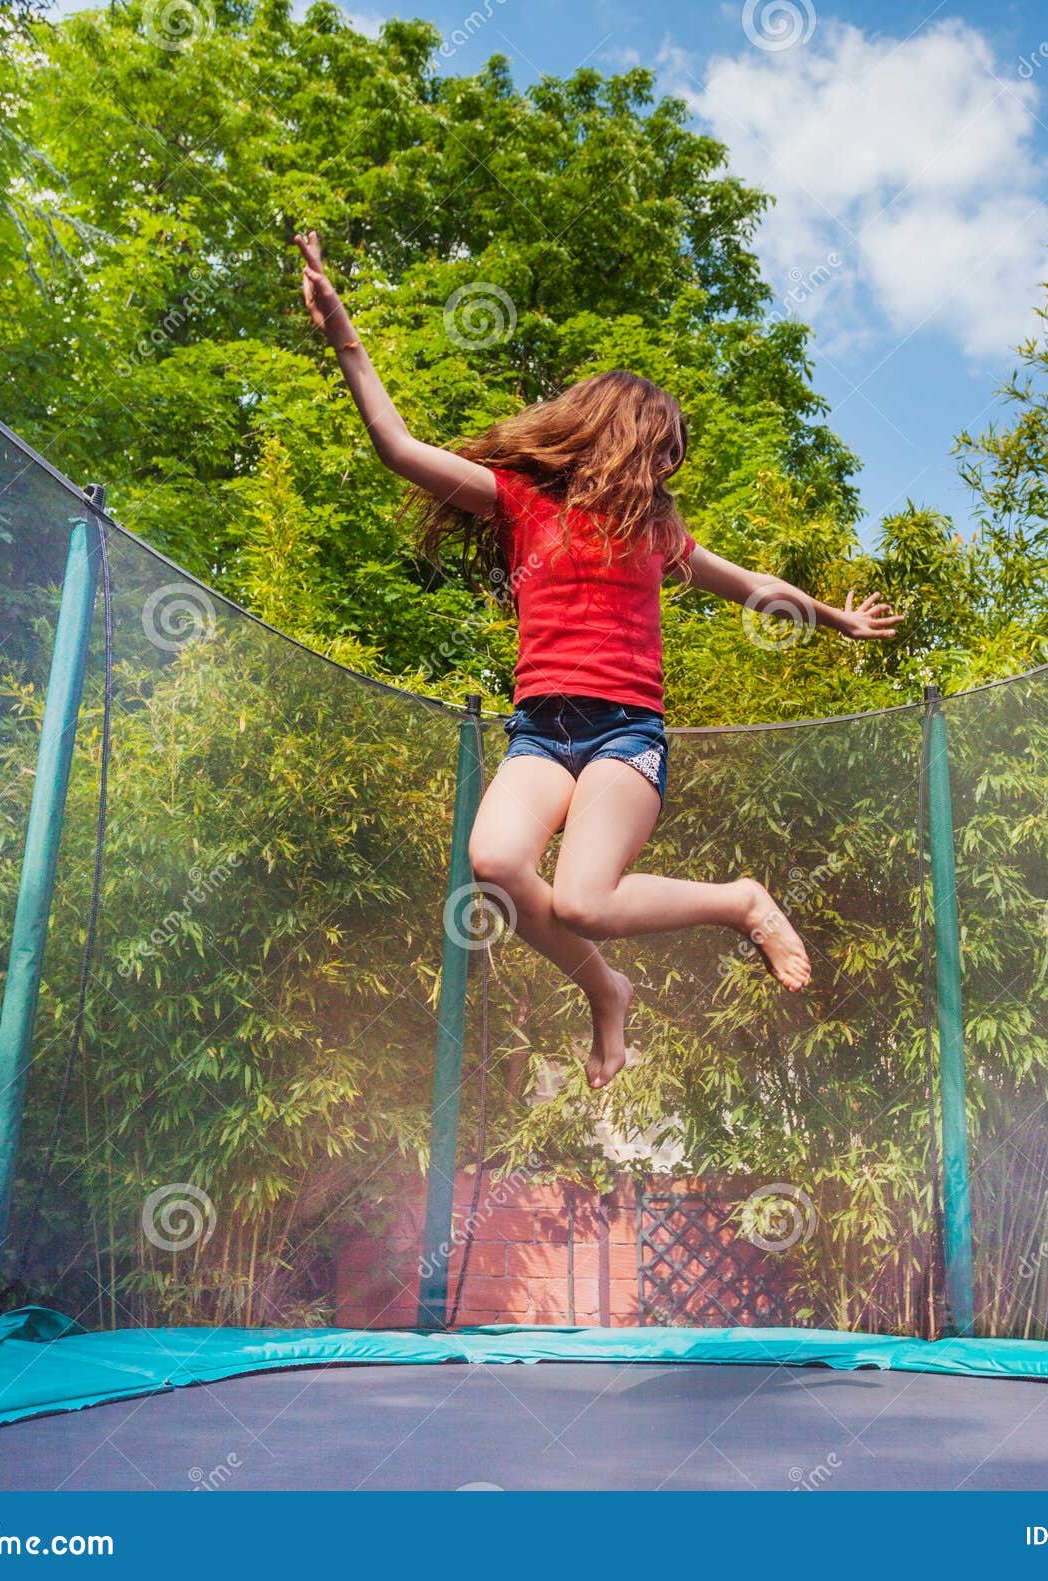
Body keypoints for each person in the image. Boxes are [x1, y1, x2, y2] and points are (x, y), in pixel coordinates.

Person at [296, 233, 899, 1087]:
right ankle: (605, 990)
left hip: (624, 734)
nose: (665, 471)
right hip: (540, 731)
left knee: (583, 898)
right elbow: (398, 446)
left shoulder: (659, 532)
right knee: (496, 864)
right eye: (659, 453)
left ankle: (740, 901)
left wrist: (835, 618)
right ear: (616, 435)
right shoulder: (521, 500)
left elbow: (749, 583)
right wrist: (345, 338)